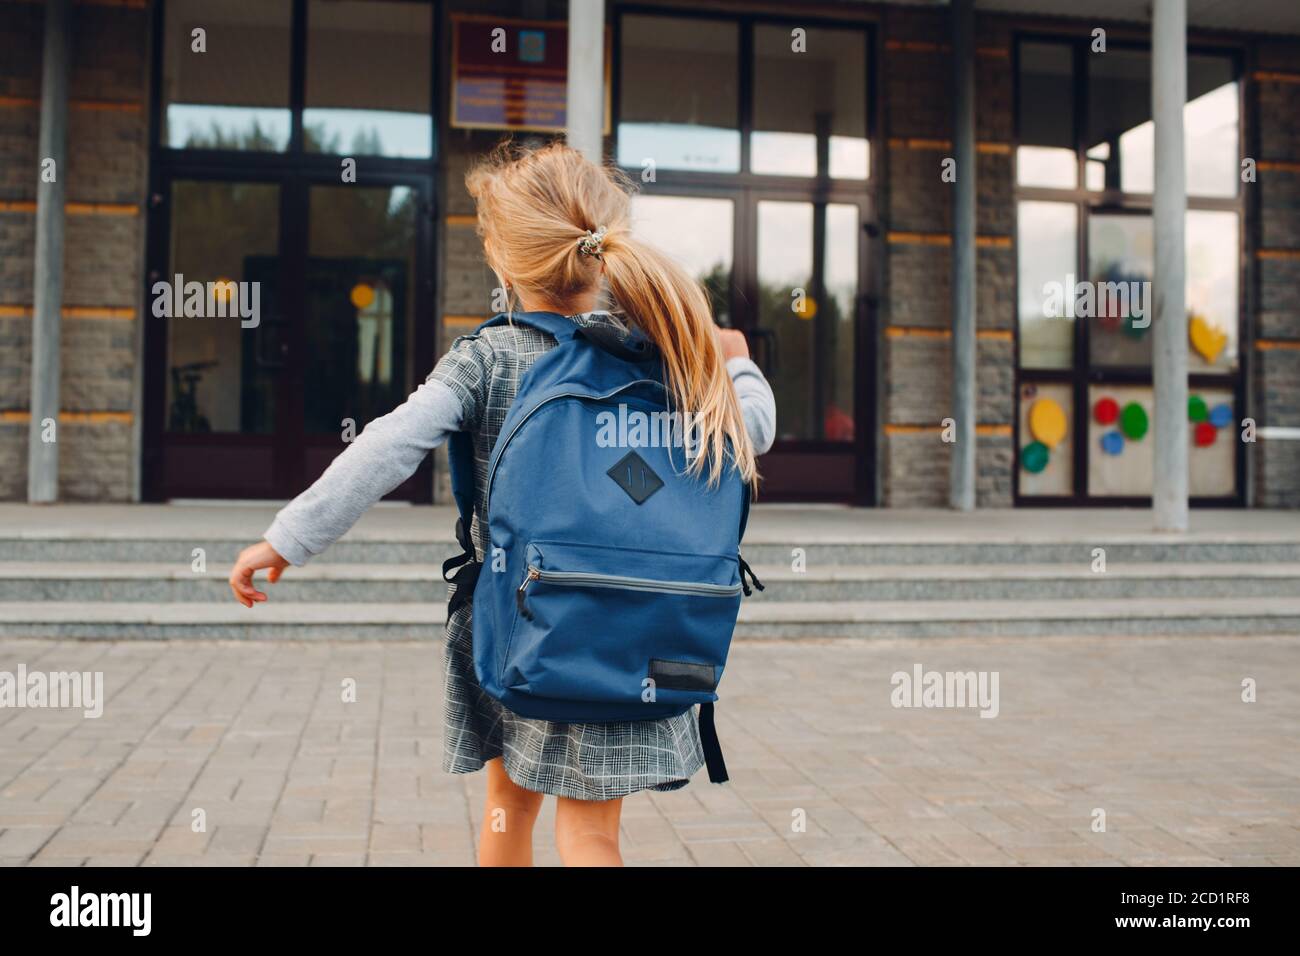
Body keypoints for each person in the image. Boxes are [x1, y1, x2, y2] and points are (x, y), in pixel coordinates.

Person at [228, 140, 776, 866]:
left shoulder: (488, 358)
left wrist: (288, 538)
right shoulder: (662, 354)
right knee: (591, 835)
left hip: (521, 625)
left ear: (502, 257)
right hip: (635, 630)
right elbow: (756, 432)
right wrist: (736, 360)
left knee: (504, 813)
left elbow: (387, 447)